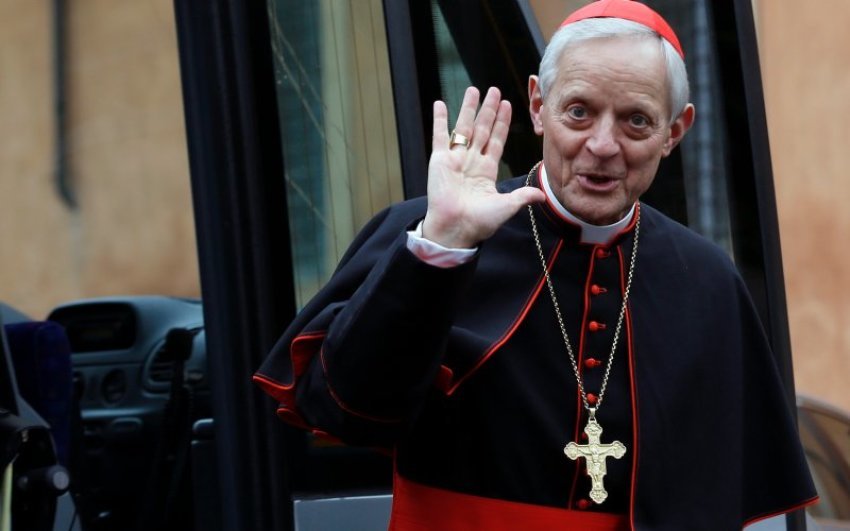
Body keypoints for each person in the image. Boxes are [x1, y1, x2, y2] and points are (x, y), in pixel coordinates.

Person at [254, 1, 817, 529]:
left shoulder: (708, 281)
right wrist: (440, 248)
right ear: (538, 107)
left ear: (675, 132)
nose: (603, 144)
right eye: (579, 112)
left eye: (636, 122)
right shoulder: (427, 235)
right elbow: (346, 412)